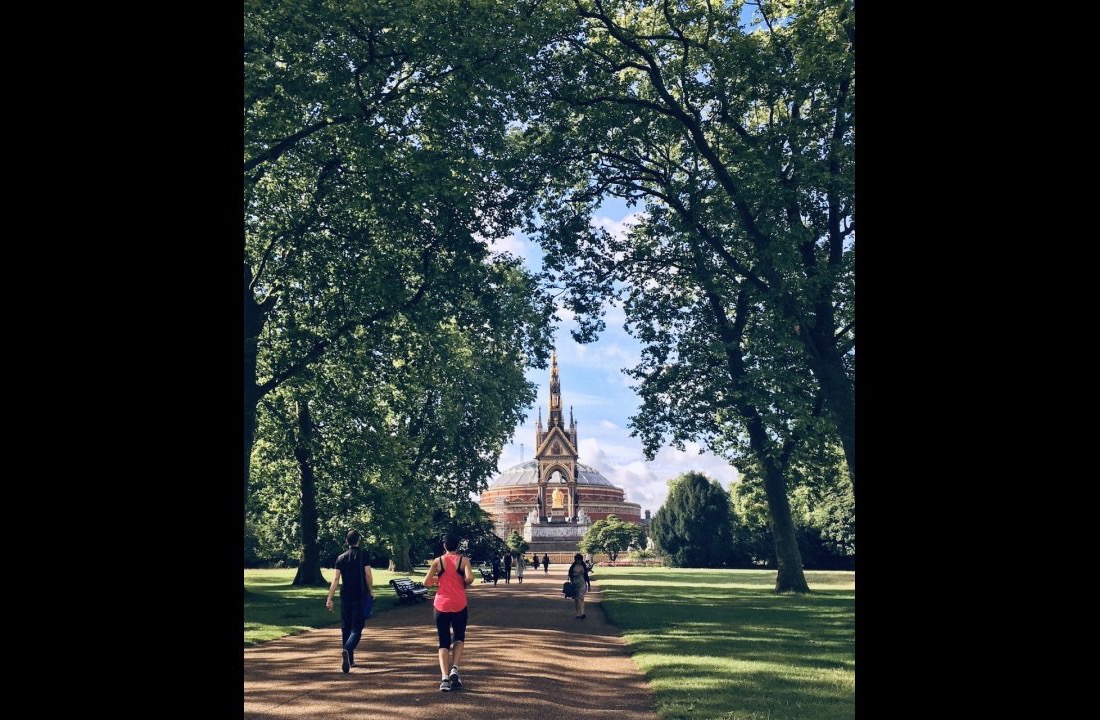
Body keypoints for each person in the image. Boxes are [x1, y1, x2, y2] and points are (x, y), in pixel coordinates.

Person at [423, 532, 475, 692]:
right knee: (459, 637)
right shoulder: (464, 560)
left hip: (441, 605)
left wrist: (438, 580)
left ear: (444, 545)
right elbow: (470, 579)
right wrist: (464, 580)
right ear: (457, 545)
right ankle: (455, 668)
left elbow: (426, 582)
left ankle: (444, 678)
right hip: (459, 603)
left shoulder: (438, 561)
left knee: (443, 641)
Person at [325, 529, 375, 673]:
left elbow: (335, 580)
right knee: (357, 628)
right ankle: (347, 649)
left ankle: (349, 659)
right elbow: (367, 575)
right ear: (358, 540)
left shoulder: (340, 558)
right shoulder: (363, 555)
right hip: (359, 595)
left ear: (347, 541)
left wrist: (329, 598)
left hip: (345, 596)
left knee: (345, 627)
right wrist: (371, 590)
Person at [567, 553, 592, 619]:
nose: (579, 561)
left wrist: (589, 585)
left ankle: (582, 613)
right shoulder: (573, 566)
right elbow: (570, 575)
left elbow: (586, 576)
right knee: (576, 599)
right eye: (578, 560)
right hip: (575, 583)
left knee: (581, 598)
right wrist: (574, 576)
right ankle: (577, 613)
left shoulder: (583, 566)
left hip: (582, 583)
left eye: (580, 560)